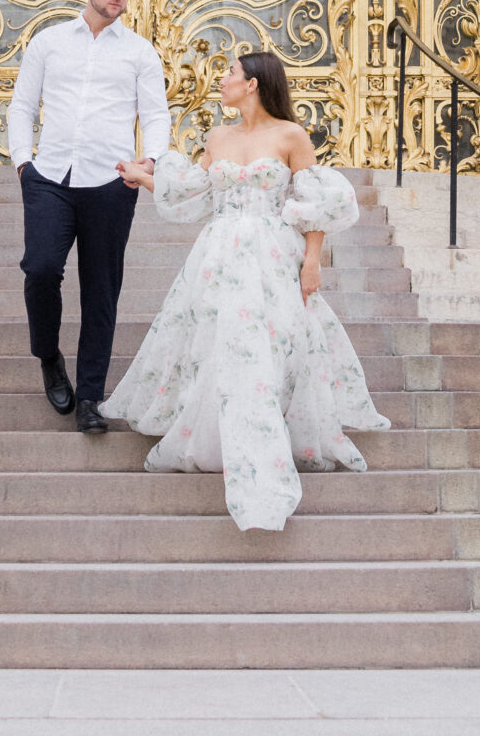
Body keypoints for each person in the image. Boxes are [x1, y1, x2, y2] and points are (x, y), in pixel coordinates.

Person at [103, 50, 389, 531]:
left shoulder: (290, 136)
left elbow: (313, 203)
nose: (221, 79)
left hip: (272, 254)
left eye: (230, 73)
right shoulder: (218, 136)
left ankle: (267, 442)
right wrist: (143, 177)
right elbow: (196, 194)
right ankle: (214, 440)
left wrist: (312, 261)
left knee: (268, 347)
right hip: (217, 256)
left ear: (253, 83)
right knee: (216, 346)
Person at [7, 0, 169, 434]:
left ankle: (91, 398)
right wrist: (22, 165)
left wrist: (150, 161)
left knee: (101, 292)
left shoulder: (140, 52)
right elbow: (21, 106)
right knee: (40, 269)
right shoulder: (49, 42)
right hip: (50, 178)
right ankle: (49, 355)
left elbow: (156, 114)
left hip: (111, 182)